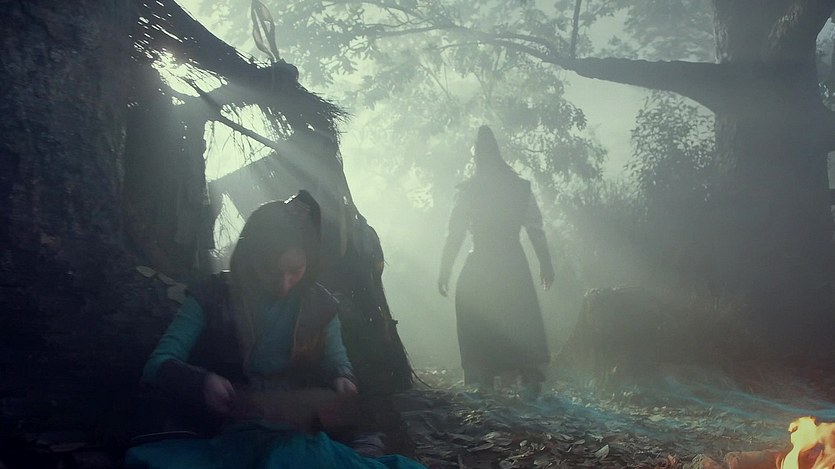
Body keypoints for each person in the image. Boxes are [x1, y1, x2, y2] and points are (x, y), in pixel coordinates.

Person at [126, 190, 425, 469]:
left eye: (295, 271)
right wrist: (201, 382)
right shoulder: (212, 296)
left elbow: (337, 360)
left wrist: (343, 380)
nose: (284, 284)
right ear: (251, 258)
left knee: (292, 457)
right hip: (228, 431)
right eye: (271, 271)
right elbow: (158, 364)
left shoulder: (321, 304)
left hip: (296, 434)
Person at [438, 125, 555, 397]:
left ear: (477, 156)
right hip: (513, 263)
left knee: (481, 316)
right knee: (517, 317)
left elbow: (455, 234)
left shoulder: (470, 190)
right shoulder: (519, 187)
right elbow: (535, 229)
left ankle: (487, 380)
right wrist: (545, 263)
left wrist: (445, 269)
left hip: (482, 262)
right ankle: (526, 380)